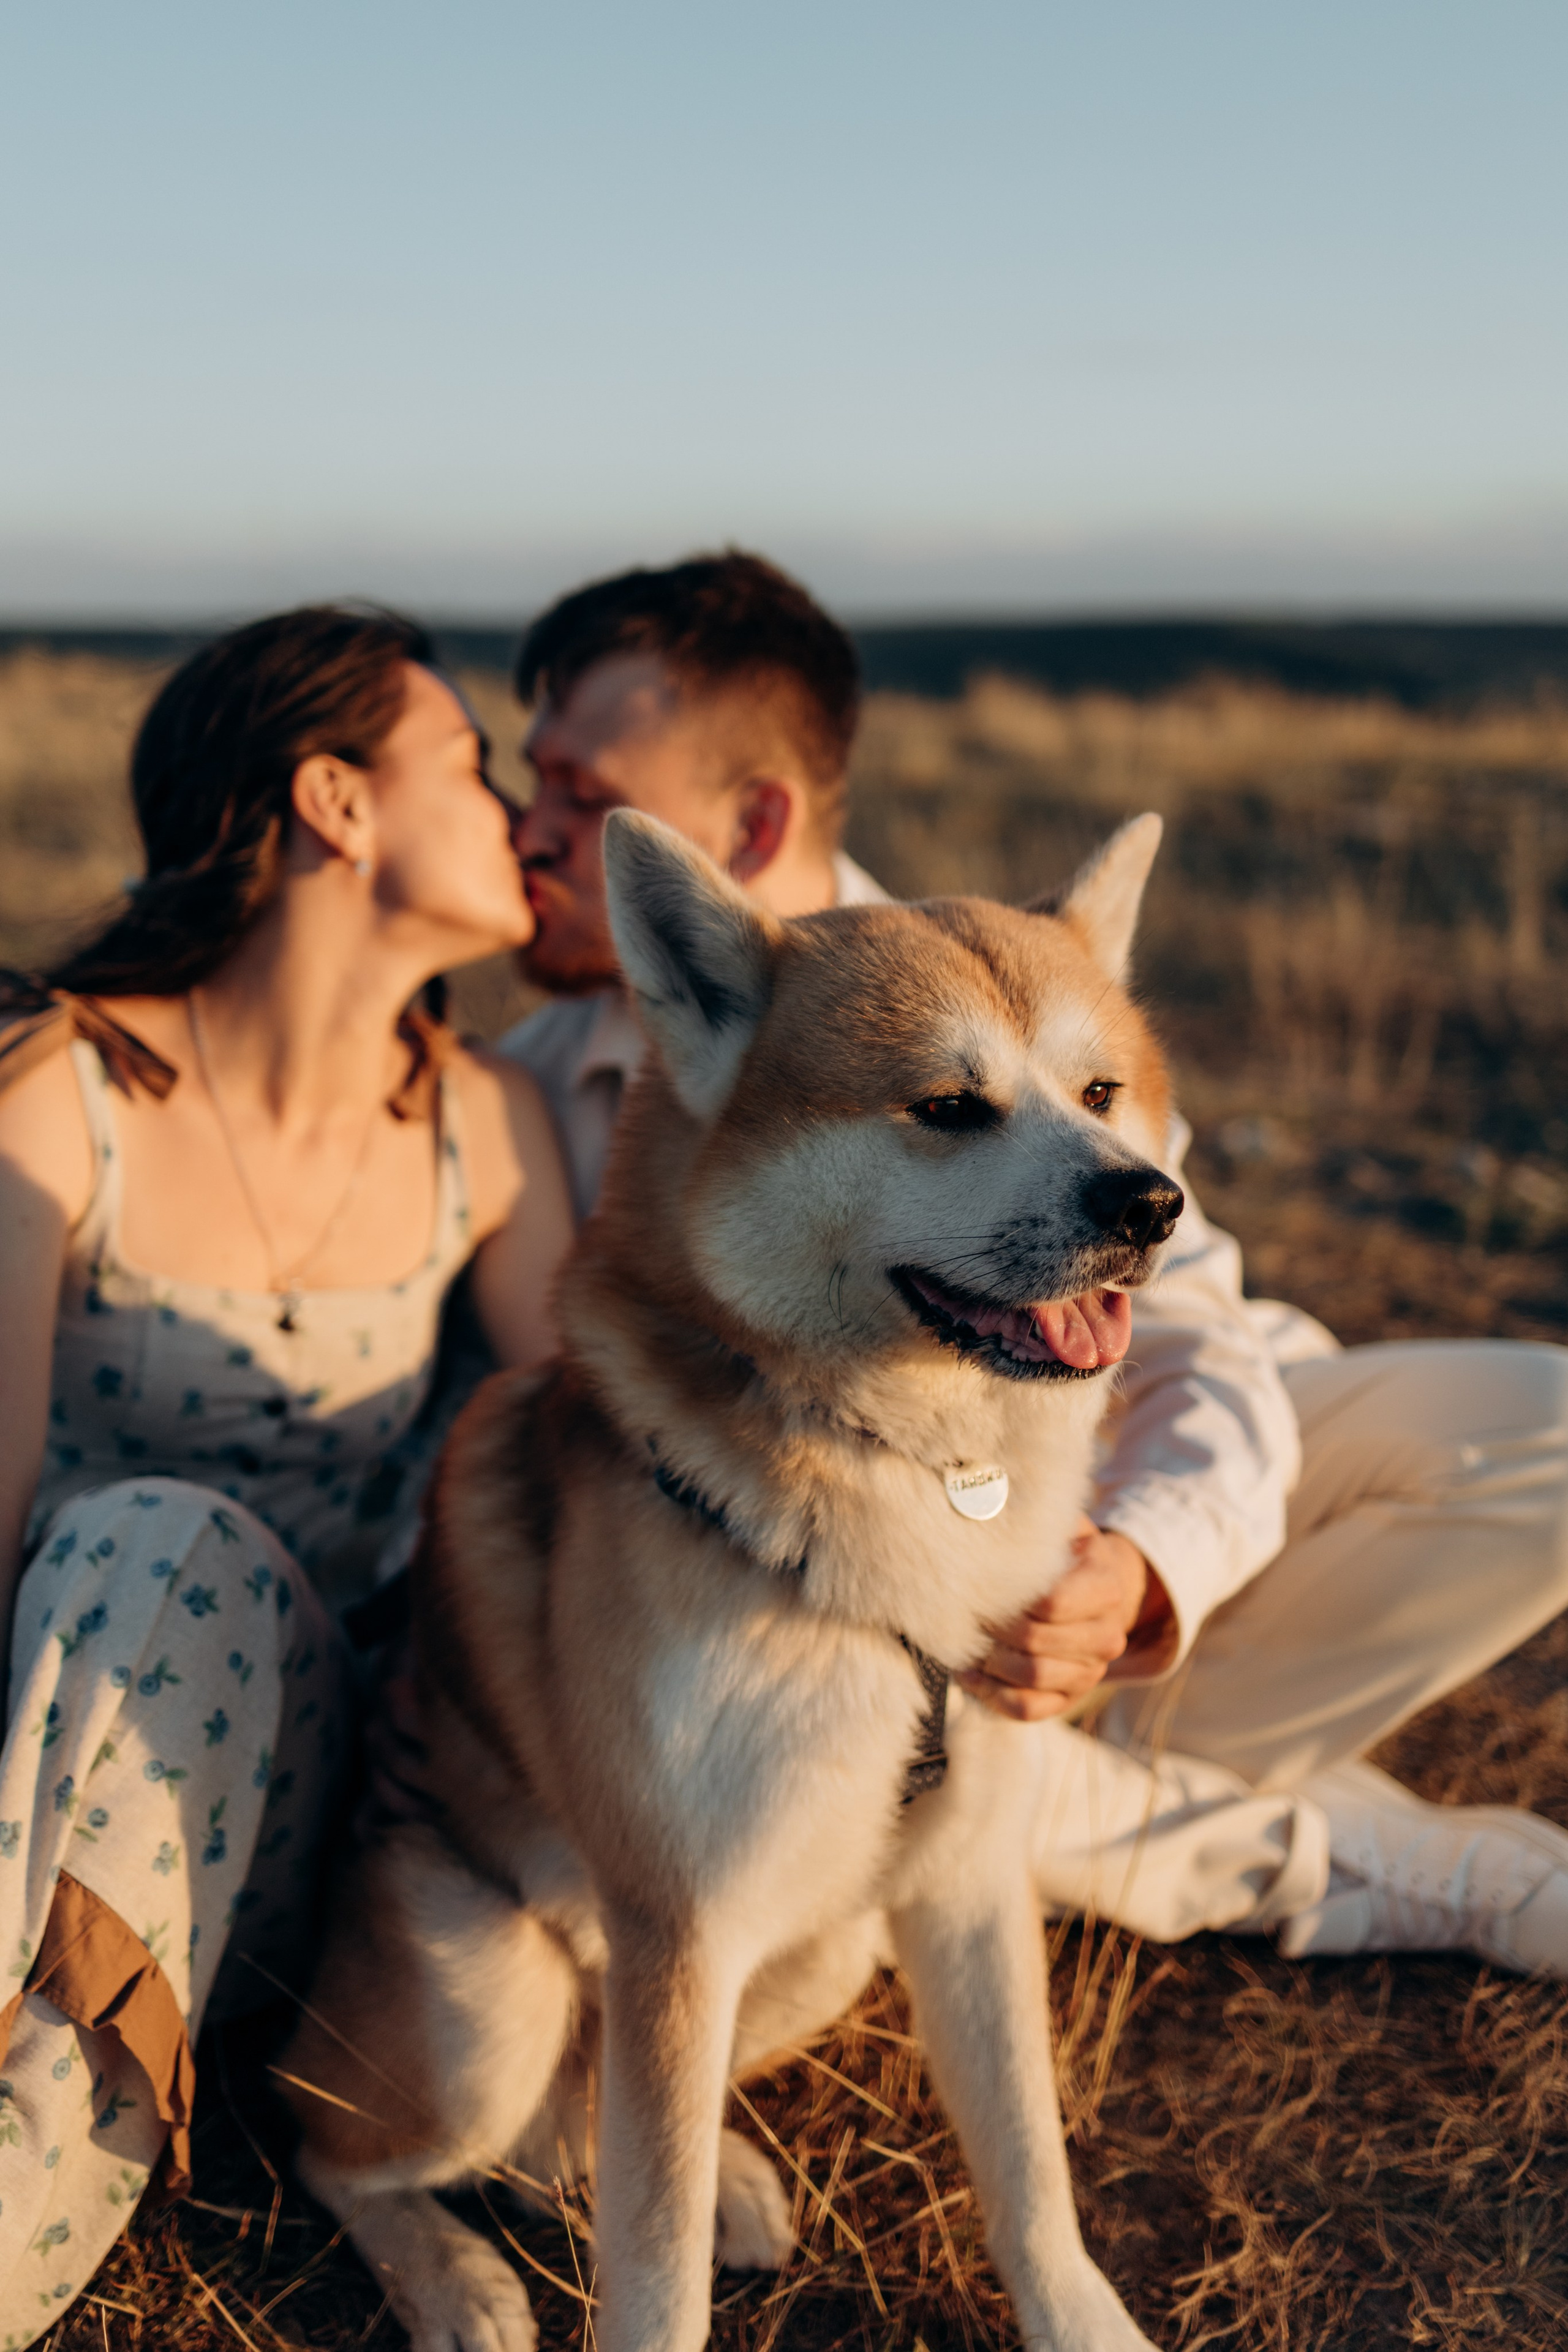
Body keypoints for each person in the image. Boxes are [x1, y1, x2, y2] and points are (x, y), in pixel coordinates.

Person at [496, 548, 1568, 1972]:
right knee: (861, 1717)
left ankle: (1146, 1757)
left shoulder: (1012, 978)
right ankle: (1347, 1856)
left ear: (747, 824)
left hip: (1082, 1537)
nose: (529, 830)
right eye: (533, 786)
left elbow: (1190, 1325)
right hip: (825, 1598)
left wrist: (1134, 1576)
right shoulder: (527, 1088)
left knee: (1534, 1432)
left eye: (577, 793)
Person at [0, 606, 573, 2340]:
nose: (517, 816)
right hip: (48, 1784)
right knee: (126, 1549)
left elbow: (593, 1472)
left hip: (306, 1815)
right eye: (471, 767)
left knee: (172, 1541)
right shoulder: (59, 1090)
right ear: (337, 800)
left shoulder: (484, 1129)